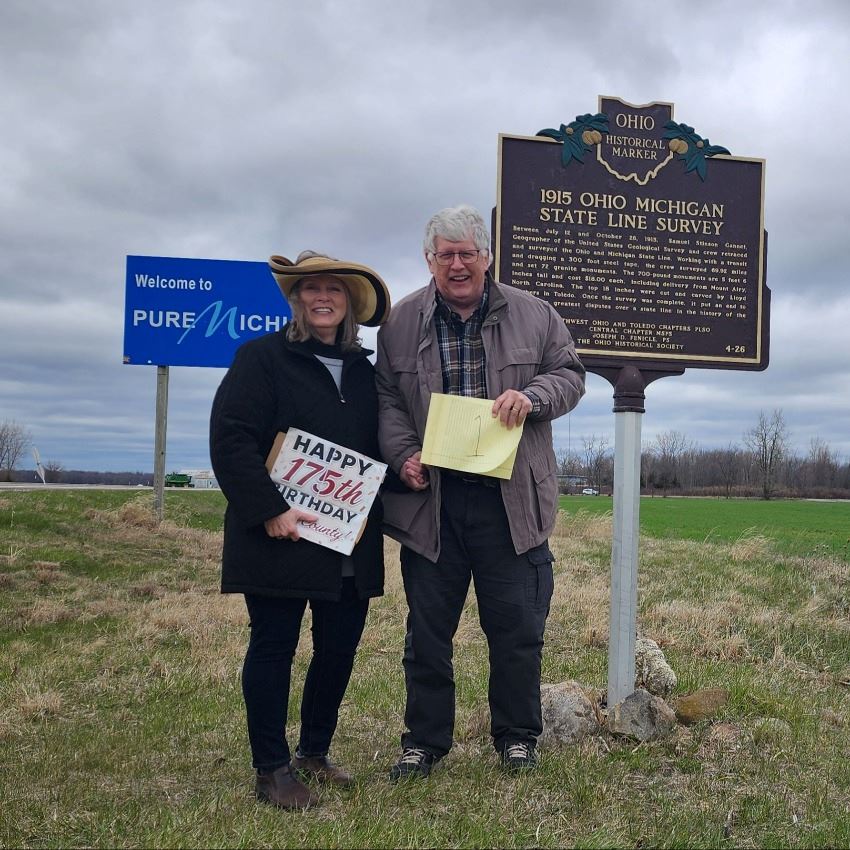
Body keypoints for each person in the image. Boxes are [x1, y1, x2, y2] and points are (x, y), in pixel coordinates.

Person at [376, 205, 585, 779]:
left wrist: (533, 396)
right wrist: (402, 457)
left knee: (517, 629)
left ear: (488, 256)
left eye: (468, 252)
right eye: (446, 254)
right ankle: (424, 742)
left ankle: (517, 738)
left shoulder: (535, 314)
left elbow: (571, 376)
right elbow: (388, 400)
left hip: (510, 502)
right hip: (433, 504)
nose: (458, 264)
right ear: (429, 261)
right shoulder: (400, 322)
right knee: (426, 635)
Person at [210, 250, 391, 810]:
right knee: (274, 647)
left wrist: (411, 469)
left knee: (337, 651)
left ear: (350, 304)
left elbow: (379, 449)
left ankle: (314, 751)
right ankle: (271, 768)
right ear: (295, 299)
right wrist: (270, 509)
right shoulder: (261, 358)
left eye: (334, 290)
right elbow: (231, 438)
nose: (322, 298)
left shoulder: (368, 373)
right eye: (311, 289)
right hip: (280, 538)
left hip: (348, 543)